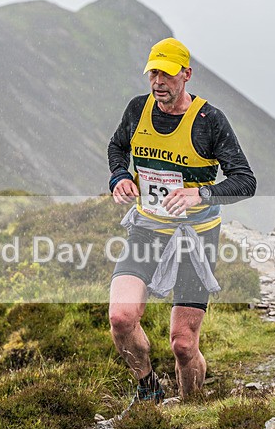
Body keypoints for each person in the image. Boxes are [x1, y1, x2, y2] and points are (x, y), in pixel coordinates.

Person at [107, 37, 256, 404]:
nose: (158, 82)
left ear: (186, 74)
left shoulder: (209, 121)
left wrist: (200, 194)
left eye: (168, 74)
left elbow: (245, 181)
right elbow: (117, 147)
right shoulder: (137, 109)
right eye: (153, 73)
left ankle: (190, 406)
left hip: (195, 238)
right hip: (147, 230)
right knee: (121, 318)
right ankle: (148, 388)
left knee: (183, 345)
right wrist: (119, 176)